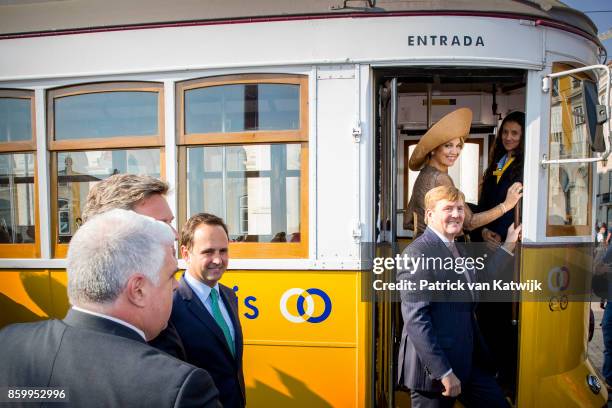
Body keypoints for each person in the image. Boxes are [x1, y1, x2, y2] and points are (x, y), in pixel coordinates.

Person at [0, 209, 220, 407]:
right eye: (170, 275)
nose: (175, 285)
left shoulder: (9, 342)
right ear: (138, 290)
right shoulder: (179, 387)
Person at [397, 185, 521, 407]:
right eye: (448, 209)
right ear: (429, 214)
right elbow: (416, 320)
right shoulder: (418, 253)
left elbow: (481, 282)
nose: (456, 214)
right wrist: (443, 372)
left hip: (467, 361)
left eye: (460, 209)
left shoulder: (458, 248)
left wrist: (509, 243)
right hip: (434, 372)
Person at [152, 213, 246, 408]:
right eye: (208, 252)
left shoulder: (229, 296)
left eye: (223, 251)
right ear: (186, 254)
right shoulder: (170, 304)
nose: (218, 260)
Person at [404, 107, 522, 237]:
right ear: (433, 149)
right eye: (448, 146)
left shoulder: (424, 174)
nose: (454, 152)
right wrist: (506, 205)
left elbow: (408, 220)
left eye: (458, 146)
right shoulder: (440, 178)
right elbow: (470, 223)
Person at [476, 111, 525, 244]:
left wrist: (500, 233)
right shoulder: (499, 162)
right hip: (488, 232)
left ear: (523, 136)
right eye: (505, 132)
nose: (508, 137)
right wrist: (484, 229)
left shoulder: (525, 166)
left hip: (507, 236)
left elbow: (518, 206)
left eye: (514, 133)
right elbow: (488, 198)